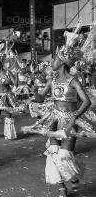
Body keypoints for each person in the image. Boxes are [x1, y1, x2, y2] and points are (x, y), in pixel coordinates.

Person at [22, 28, 95, 197]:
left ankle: (74, 178)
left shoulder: (73, 80)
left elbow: (87, 101)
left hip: (70, 120)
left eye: (55, 59)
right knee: (53, 153)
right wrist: (34, 91)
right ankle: (62, 187)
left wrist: (74, 118)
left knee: (64, 155)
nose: (52, 62)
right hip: (54, 118)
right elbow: (40, 98)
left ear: (62, 62)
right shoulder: (53, 80)